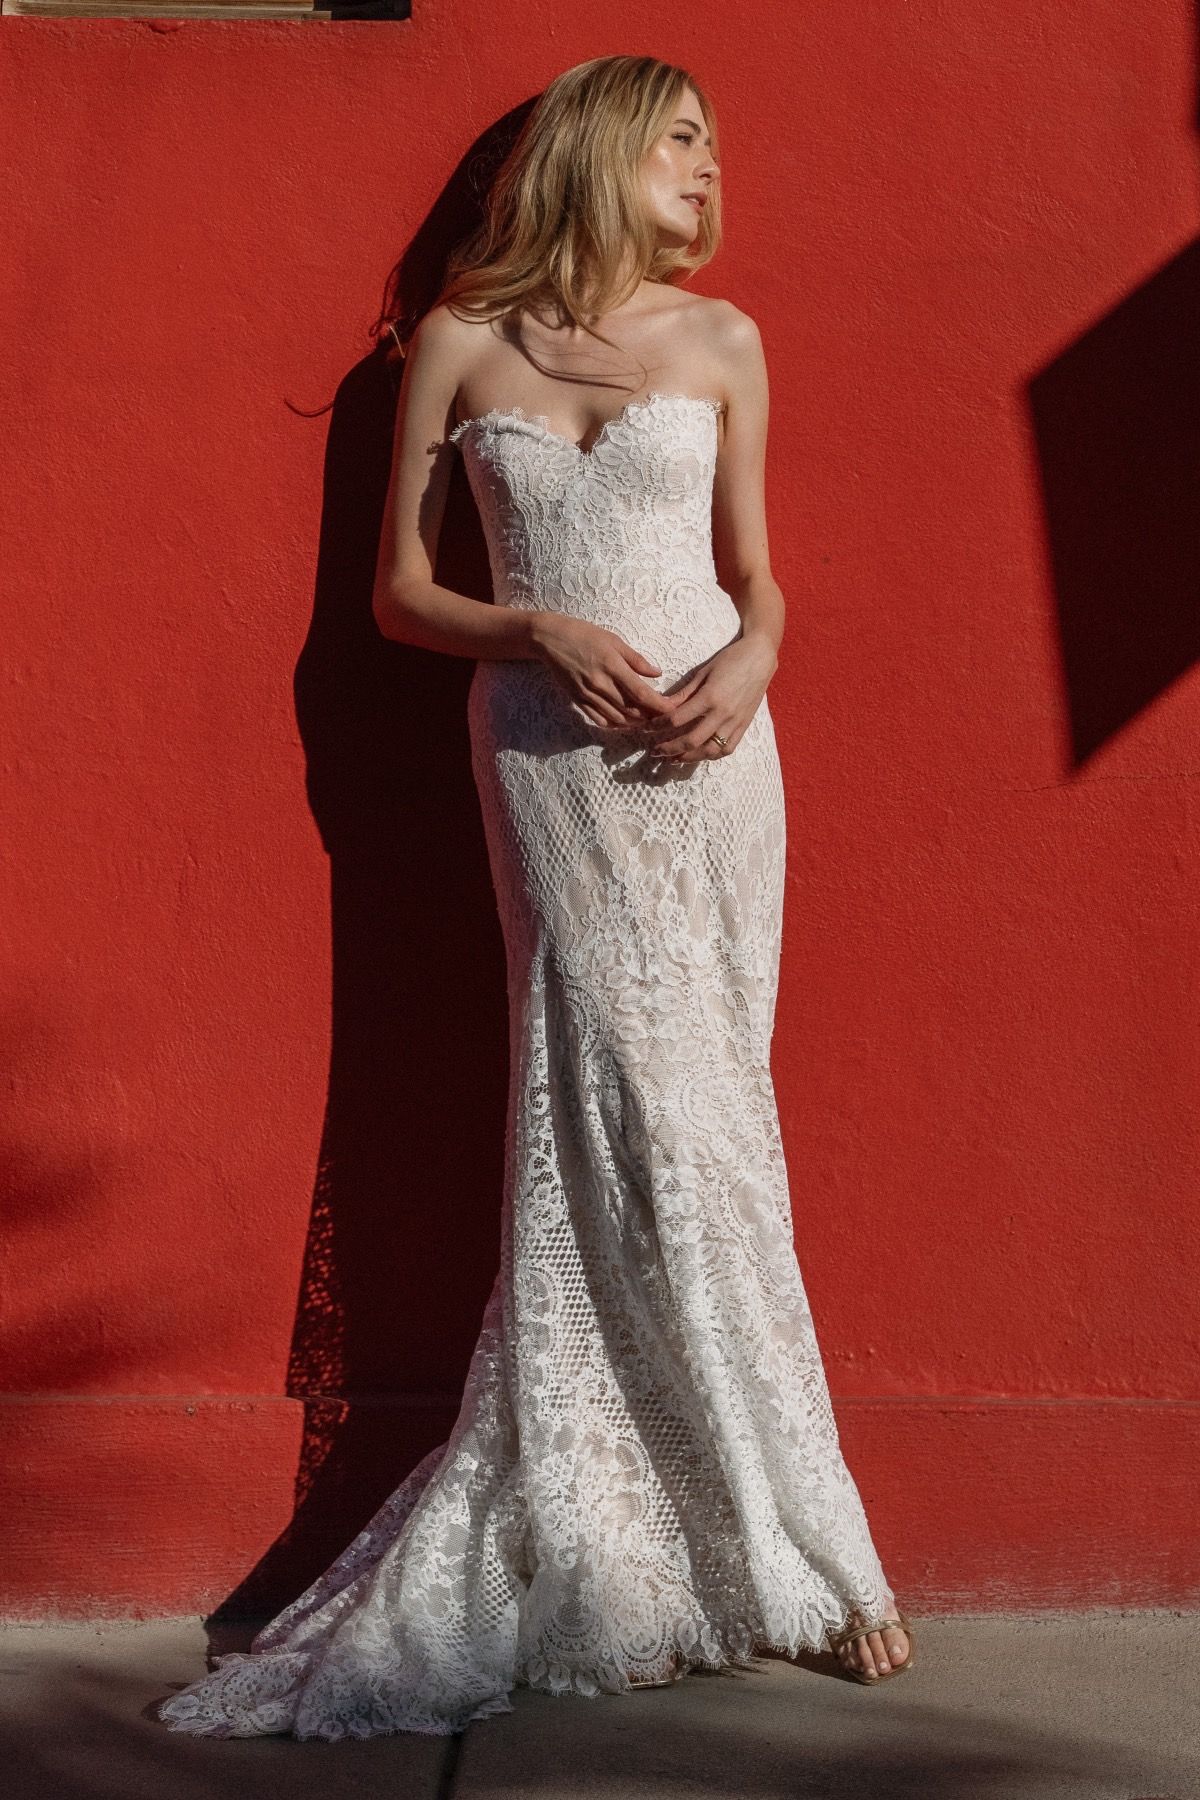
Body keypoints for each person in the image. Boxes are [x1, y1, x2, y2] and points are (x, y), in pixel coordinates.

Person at [159, 52, 914, 1743]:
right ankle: (656, 1523)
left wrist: (761, 663)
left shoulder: (725, 344)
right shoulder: (457, 345)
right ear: (596, 152)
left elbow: (757, 570)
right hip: (546, 765)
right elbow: (397, 599)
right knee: (605, 1105)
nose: (710, 172)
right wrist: (538, 632)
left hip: (714, 764)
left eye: (717, 146)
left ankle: (800, 1536)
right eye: (681, 140)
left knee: (714, 1108)